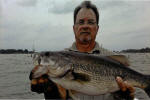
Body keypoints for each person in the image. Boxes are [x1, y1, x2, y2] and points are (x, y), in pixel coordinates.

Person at [29, 1, 135, 100]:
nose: (85, 26)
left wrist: (125, 97)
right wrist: (52, 93)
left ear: (97, 28)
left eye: (90, 22)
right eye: (81, 22)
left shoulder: (113, 59)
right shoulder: (58, 69)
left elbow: (126, 93)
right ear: (74, 28)